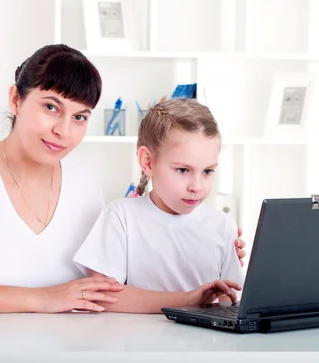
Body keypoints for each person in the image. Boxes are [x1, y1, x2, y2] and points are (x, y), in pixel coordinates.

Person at [0, 44, 246, 314]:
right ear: (16, 99)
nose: (63, 130)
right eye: (51, 107)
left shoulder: (84, 184)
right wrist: (41, 299)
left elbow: (110, 282)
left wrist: (203, 241)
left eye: (80, 117)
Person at [73, 98, 244, 313]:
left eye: (208, 171)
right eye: (183, 170)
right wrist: (187, 299)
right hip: (136, 344)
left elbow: (231, 302)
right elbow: (102, 296)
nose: (197, 186)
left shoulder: (223, 226)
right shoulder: (122, 217)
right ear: (148, 162)